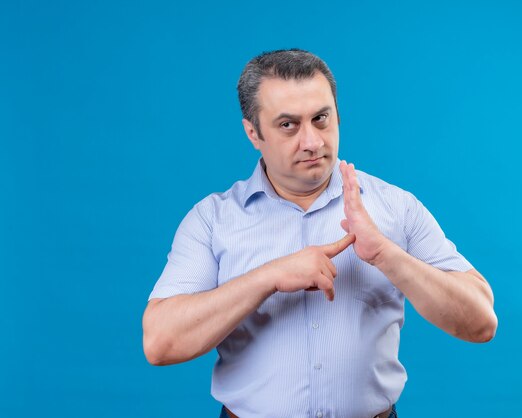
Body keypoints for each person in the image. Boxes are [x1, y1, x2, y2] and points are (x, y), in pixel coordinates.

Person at [142, 49, 497, 418]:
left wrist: (386, 255)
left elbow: (481, 321)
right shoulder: (212, 220)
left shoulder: (396, 207)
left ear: (338, 117)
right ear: (253, 133)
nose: (312, 141)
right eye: (288, 125)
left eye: (321, 119)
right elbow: (160, 342)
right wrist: (269, 277)